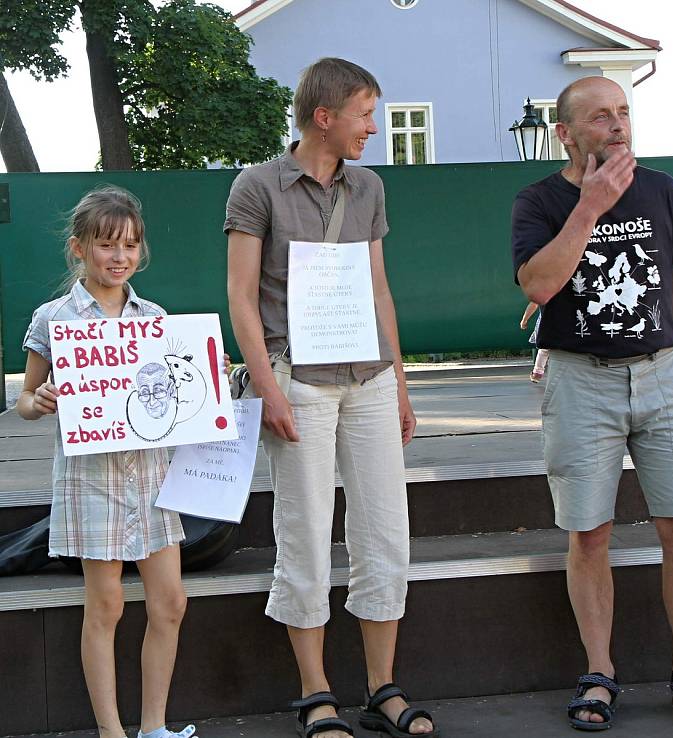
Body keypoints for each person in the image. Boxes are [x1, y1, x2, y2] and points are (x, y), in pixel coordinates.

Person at [225, 58, 437, 738]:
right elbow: (241, 297)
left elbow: (379, 290)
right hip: (299, 383)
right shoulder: (256, 185)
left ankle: (383, 686)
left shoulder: (368, 187)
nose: (373, 128)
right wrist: (266, 387)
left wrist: (400, 381)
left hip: (369, 379)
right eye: (365, 115)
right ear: (325, 117)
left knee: (384, 532)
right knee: (305, 534)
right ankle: (315, 693)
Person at [511, 77, 673, 732]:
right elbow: (539, 284)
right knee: (589, 532)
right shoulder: (539, 201)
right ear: (566, 133)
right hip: (581, 381)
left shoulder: (665, 191)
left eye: (624, 112)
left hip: (663, 375)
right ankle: (599, 670)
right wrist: (591, 207)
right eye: (601, 116)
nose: (618, 124)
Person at [18, 187, 197, 738]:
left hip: (152, 477)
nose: (120, 256)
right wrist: (40, 400)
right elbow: (23, 402)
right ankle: (110, 733)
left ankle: (154, 728)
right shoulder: (55, 318)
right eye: (106, 245)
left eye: (131, 245)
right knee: (108, 604)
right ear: (79, 249)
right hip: (92, 480)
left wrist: (205, 388)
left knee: (170, 603)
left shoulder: (156, 317)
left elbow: (178, 399)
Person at [519, 301, 549, 382]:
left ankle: (537, 373)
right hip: (562, 323)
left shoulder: (543, 291)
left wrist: (524, 320)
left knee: (544, 350)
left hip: (546, 323)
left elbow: (534, 303)